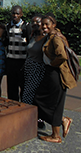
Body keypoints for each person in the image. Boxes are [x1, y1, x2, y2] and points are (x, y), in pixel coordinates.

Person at [34, 15, 74, 143]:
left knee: (54, 103)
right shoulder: (51, 36)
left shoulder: (56, 38)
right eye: (43, 24)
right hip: (50, 72)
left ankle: (56, 136)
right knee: (42, 100)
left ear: (54, 24)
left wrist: (52, 64)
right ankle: (62, 120)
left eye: (47, 24)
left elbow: (62, 56)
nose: (44, 27)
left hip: (56, 73)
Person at [5, 5, 32, 101]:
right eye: (13, 13)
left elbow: (30, 43)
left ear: (21, 14)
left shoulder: (26, 26)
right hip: (11, 61)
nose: (15, 15)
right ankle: (13, 107)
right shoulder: (8, 26)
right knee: (12, 87)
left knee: (23, 86)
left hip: (22, 62)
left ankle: (23, 106)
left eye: (17, 13)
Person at [21, 14, 47, 104]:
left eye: (38, 22)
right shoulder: (33, 36)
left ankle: (31, 113)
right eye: (33, 22)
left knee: (30, 93)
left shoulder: (46, 37)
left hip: (38, 68)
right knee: (27, 92)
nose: (35, 24)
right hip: (29, 67)